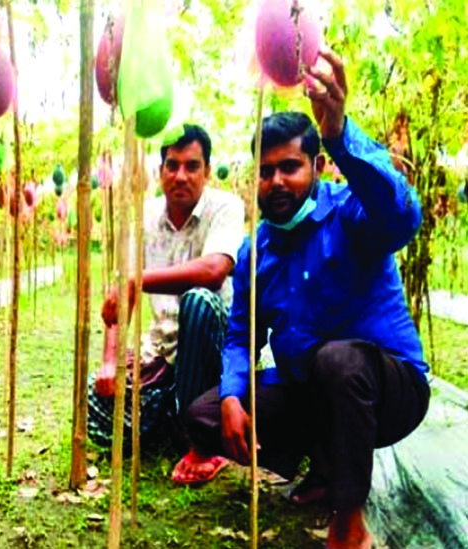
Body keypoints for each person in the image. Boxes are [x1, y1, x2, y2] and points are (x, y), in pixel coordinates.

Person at [184, 48, 430, 549]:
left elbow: (403, 217)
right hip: (313, 390)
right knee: (204, 415)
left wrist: (341, 134)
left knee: (337, 362)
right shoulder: (257, 250)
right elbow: (239, 334)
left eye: (290, 167)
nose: (276, 182)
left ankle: (349, 520)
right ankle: (323, 463)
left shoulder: (350, 214)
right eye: (266, 170)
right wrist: (232, 395)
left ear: (317, 165)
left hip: (389, 390)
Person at [87, 123, 245, 483]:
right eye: (172, 165)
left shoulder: (226, 207)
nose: (181, 175)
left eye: (192, 166)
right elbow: (119, 298)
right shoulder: (143, 218)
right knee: (94, 393)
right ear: (160, 172)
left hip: (212, 349)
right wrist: (110, 362)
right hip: (161, 352)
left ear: (206, 171)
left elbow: (214, 271)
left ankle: (200, 440)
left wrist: (137, 280)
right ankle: (171, 417)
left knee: (199, 303)